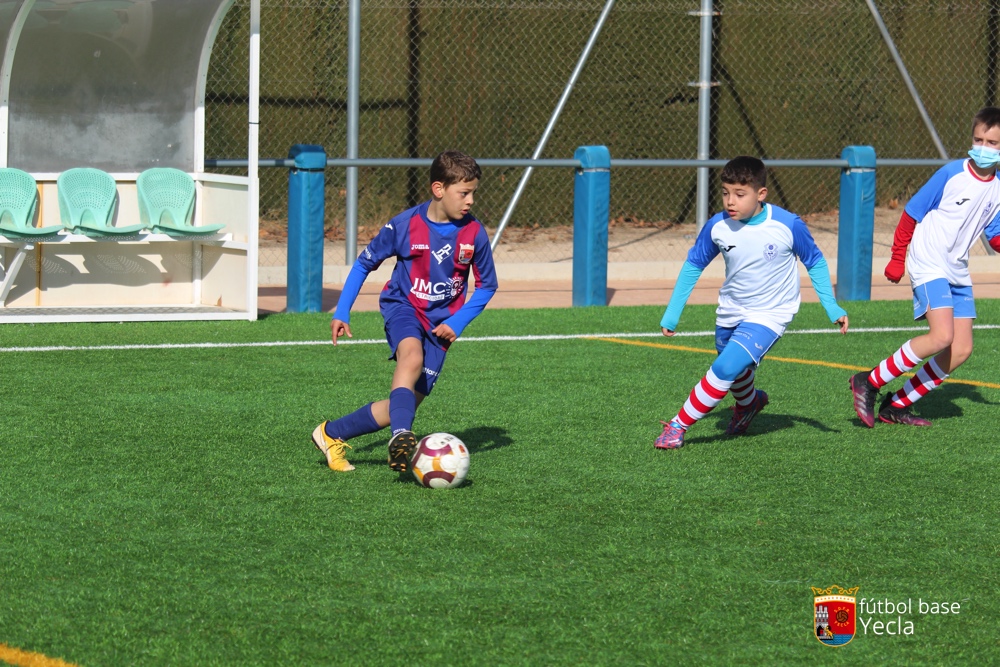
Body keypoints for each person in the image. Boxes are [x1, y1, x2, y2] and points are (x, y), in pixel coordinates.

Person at [312, 150, 498, 472]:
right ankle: (401, 438)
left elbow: (487, 286)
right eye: (463, 193)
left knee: (405, 404)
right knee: (410, 357)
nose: (470, 201)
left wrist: (458, 321)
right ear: (438, 189)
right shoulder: (404, 225)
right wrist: (342, 310)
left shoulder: (474, 233)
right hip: (404, 306)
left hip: (442, 325)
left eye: (473, 194)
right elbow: (363, 264)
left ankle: (331, 434)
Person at [656, 156, 849, 449]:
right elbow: (693, 265)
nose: (730, 201)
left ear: (761, 194)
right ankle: (749, 404)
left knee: (724, 368)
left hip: (771, 314)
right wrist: (672, 314)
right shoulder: (717, 226)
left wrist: (831, 307)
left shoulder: (787, 224)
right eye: (725, 193)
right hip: (731, 309)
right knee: (735, 371)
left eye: (739, 194)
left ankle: (677, 426)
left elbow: (815, 262)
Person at [850, 106, 1000, 427]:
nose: (983, 148)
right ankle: (869, 381)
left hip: (957, 268)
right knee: (941, 335)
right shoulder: (951, 174)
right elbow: (912, 212)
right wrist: (897, 257)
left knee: (960, 350)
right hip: (929, 260)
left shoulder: (998, 187)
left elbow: (995, 234)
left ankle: (897, 405)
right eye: (978, 140)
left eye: (992, 143)